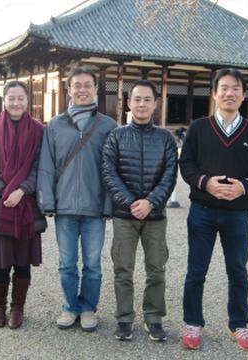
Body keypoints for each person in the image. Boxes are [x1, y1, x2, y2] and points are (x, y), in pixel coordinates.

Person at [179, 68, 248, 351]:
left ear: (243, 95)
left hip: (237, 212)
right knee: (196, 270)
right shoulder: (198, 127)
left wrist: (245, 186)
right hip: (202, 210)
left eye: (235, 88)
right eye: (223, 88)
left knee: (238, 270)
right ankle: (193, 323)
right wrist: (205, 183)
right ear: (214, 93)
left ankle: (238, 324)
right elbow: (186, 164)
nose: (229, 93)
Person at [37, 66, 116, 332]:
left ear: (95, 88)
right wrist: (47, 201)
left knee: (93, 264)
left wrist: (109, 204)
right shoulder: (56, 125)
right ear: (68, 89)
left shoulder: (107, 125)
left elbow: (112, 169)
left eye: (87, 85)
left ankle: (89, 308)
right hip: (65, 206)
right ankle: (70, 306)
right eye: (77, 85)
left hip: (95, 207)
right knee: (67, 263)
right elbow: (46, 165)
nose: (82, 90)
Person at [102, 80, 178, 342]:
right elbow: (109, 172)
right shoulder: (116, 136)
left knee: (156, 268)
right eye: (137, 99)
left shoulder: (166, 138)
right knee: (123, 269)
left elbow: (170, 174)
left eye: (147, 99)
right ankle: (124, 318)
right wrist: (131, 201)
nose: (142, 104)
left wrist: (151, 202)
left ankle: (154, 317)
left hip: (155, 216)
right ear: (129, 102)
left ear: (155, 104)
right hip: (125, 215)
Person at [0, 80, 46, 329]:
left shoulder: (39, 130)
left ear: (28, 101)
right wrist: (4, 191)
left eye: (21, 98)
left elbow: (41, 167)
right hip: (1, 204)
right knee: (1, 261)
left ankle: (18, 308)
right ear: (3, 100)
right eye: (11, 98)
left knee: (22, 261)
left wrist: (22, 190)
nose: (16, 103)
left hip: (26, 205)